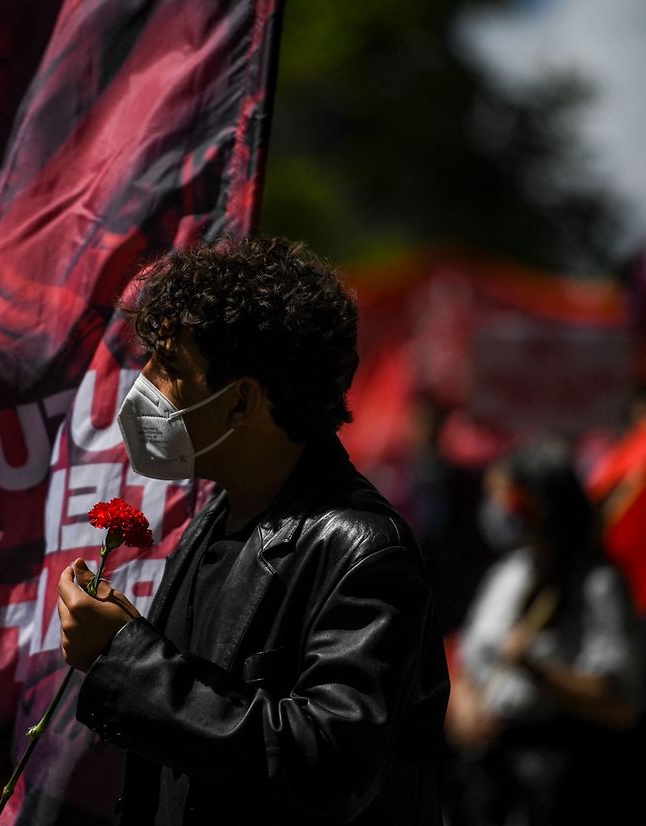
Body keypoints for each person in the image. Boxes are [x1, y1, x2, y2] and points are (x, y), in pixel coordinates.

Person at [55, 236, 449, 825]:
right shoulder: (218, 514)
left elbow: (327, 763)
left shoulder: (362, 552)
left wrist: (127, 658)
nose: (145, 387)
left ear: (240, 403)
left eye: (169, 368)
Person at [444, 439, 641, 826]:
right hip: (483, 783)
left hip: (553, 782)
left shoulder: (597, 585)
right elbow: (462, 660)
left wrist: (537, 671)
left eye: (515, 502)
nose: (504, 512)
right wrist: (461, 708)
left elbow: (618, 703)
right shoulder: (506, 574)